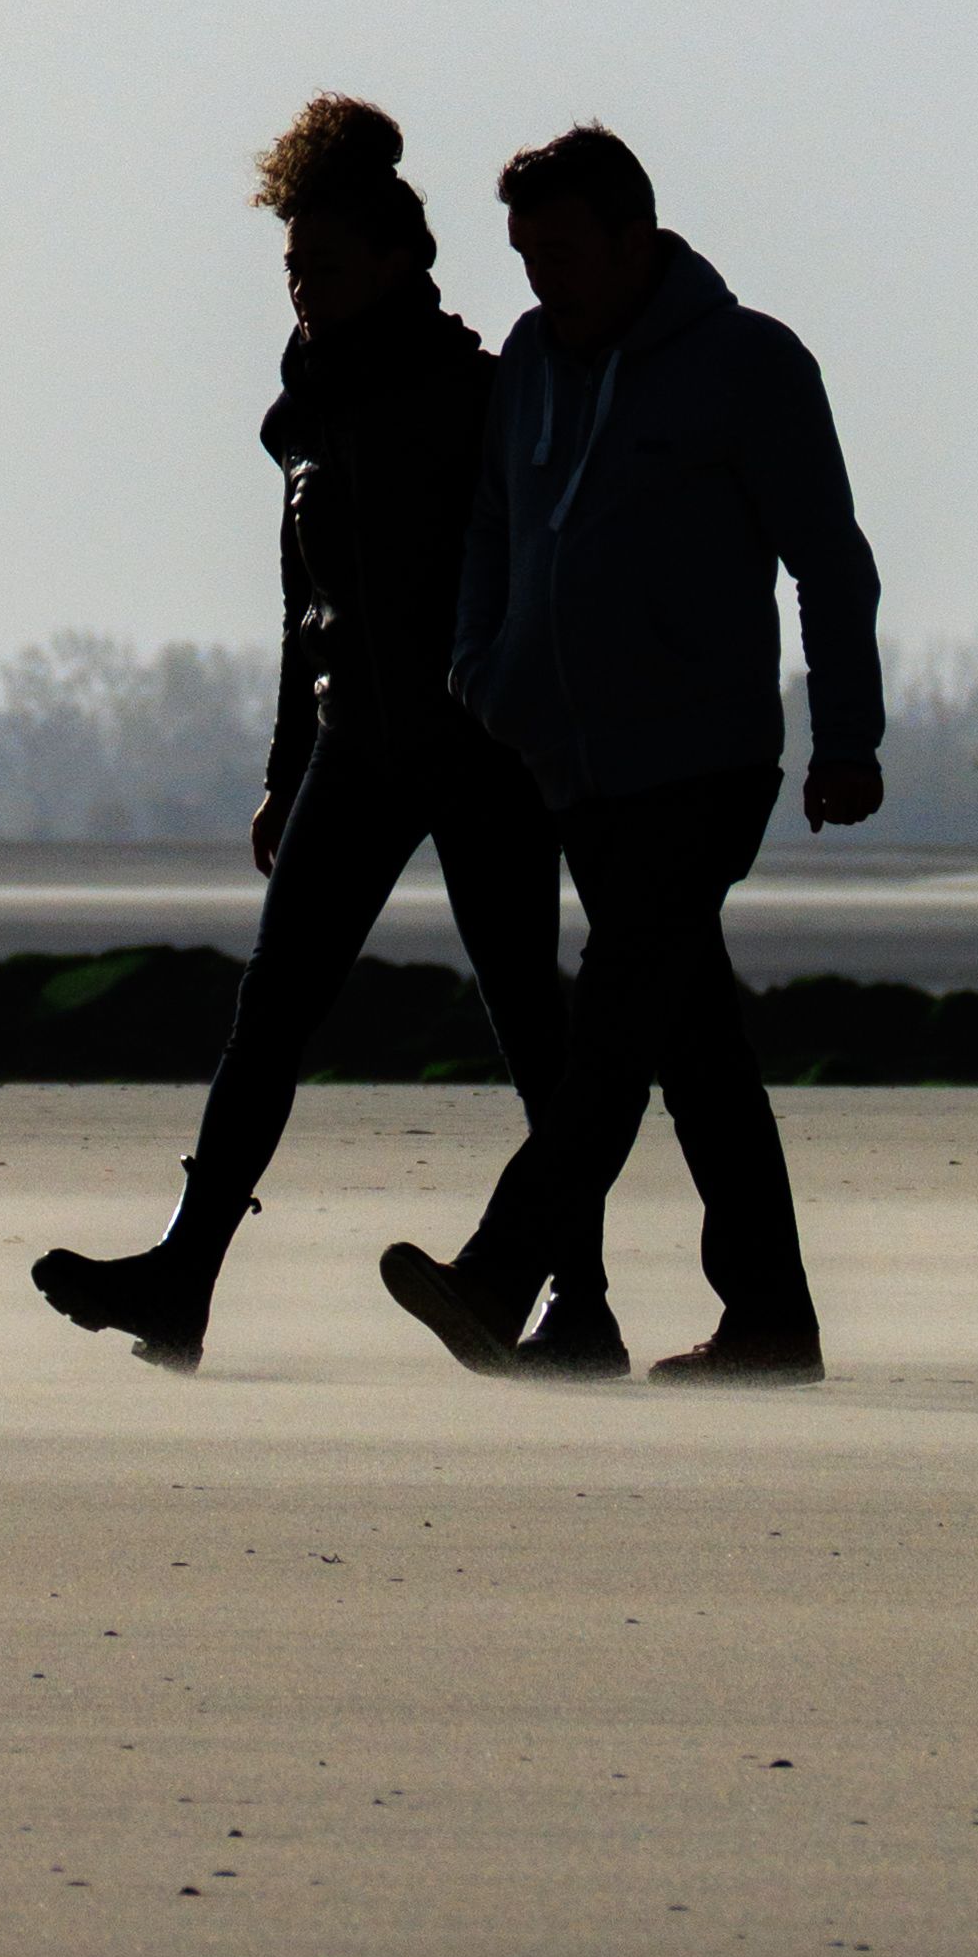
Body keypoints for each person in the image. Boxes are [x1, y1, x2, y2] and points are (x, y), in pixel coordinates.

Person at [32, 96, 563, 1370]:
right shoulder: (304, 415)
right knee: (268, 1014)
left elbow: (536, 577)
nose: (301, 289)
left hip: (481, 751)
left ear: (397, 262)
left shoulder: (477, 396)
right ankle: (182, 1277)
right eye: (290, 268)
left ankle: (578, 1302)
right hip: (354, 746)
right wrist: (282, 770)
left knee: (533, 1029)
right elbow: (302, 608)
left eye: (322, 265)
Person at [380, 122, 882, 1389]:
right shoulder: (527, 366)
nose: (540, 278)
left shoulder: (748, 363)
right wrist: (480, 670)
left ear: (634, 237)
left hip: (703, 762)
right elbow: (492, 529)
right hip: (572, 766)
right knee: (694, 1051)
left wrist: (848, 737)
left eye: (560, 252)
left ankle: (498, 1272)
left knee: (609, 1037)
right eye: (523, 255)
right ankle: (771, 1321)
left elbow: (830, 562)